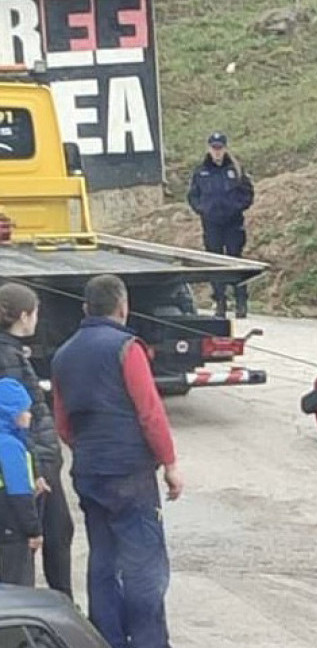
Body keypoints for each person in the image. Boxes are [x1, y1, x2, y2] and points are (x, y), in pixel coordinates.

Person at [50, 275, 183, 648]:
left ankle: (105, 639)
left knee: (103, 560)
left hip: (89, 472)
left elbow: (63, 423)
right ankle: (148, 641)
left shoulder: (63, 355)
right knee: (143, 564)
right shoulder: (127, 348)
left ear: (84, 309)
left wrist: (90, 451)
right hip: (130, 474)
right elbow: (150, 413)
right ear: (123, 307)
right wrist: (169, 463)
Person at [0, 283, 74, 600]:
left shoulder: (12, 351)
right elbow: (17, 419)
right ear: (24, 316)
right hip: (32, 462)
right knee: (41, 537)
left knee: (54, 532)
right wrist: (37, 468)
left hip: (34, 459)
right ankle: (57, 606)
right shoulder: (8, 357)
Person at [187, 131, 255, 318]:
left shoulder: (235, 169)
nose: (217, 152)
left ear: (225, 149)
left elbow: (248, 193)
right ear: (209, 148)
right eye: (214, 148)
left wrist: (237, 207)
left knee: (236, 261)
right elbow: (193, 195)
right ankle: (220, 303)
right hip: (211, 224)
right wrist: (203, 209)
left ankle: (241, 302)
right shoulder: (201, 171)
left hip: (233, 223)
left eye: (220, 148)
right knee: (215, 263)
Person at [0, 378, 40, 587]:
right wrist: (33, 530)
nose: (29, 414)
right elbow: (19, 492)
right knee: (17, 588)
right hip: (12, 529)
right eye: (25, 409)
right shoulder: (10, 445)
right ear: (12, 412)